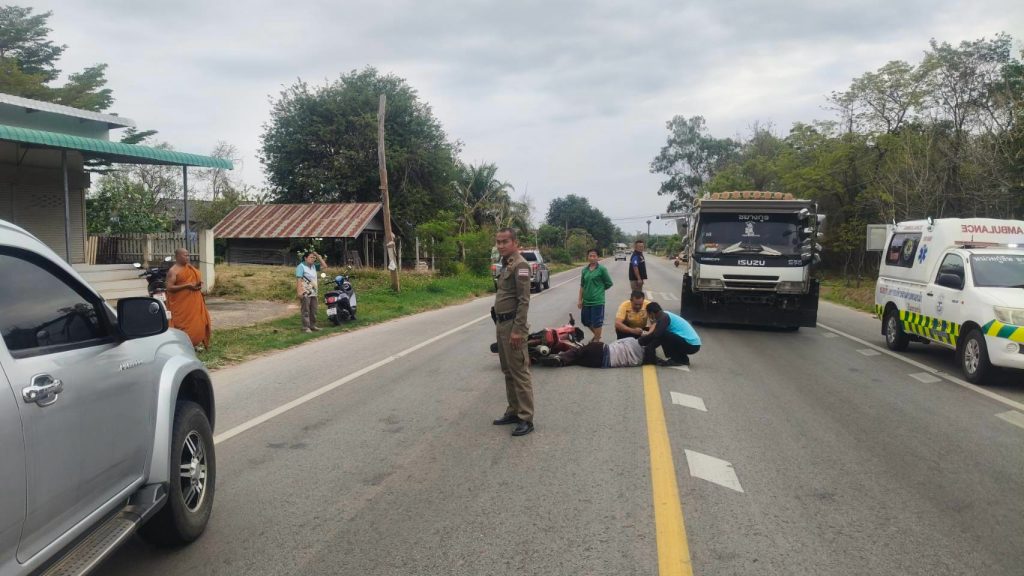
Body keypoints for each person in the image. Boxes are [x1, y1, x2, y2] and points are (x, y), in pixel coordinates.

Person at [491, 227, 535, 437]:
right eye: (498, 242)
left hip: (513, 326)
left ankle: (526, 418)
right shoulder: (506, 264)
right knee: (508, 371)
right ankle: (513, 410)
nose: (500, 245)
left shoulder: (521, 265)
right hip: (502, 325)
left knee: (519, 372)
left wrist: (517, 330)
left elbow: (524, 300)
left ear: (515, 243)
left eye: (504, 242)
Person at [165, 248, 211, 349]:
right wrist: (187, 286)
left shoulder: (190, 268)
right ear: (177, 256)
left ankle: (195, 343)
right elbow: (169, 287)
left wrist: (197, 285)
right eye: (185, 255)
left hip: (193, 302)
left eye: (188, 255)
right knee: (182, 325)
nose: (187, 257)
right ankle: (183, 345)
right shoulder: (173, 271)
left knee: (197, 323)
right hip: (181, 305)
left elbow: (193, 282)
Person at [639, 302, 701, 366]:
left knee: (664, 334)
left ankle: (676, 359)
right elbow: (653, 330)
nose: (649, 316)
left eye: (648, 314)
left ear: (652, 313)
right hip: (693, 344)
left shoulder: (664, 318)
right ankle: (683, 359)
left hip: (691, 345)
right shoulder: (663, 315)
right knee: (664, 334)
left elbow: (657, 335)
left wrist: (642, 342)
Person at [537, 337, 644, 369]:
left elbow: (615, 343)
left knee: (578, 350)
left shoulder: (632, 341)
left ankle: (560, 357)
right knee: (577, 359)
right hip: (602, 364)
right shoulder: (639, 361)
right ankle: (560, 360)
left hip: (604, 350)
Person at [578, 248, 613, 343]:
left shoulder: (602, 269)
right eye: (590, 256)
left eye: (594, 256)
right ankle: (597, 336)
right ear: (587, 257)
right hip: (586, 301)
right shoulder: (584, 270)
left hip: (597, 301)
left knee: (597, 322)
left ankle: (597, 342)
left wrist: (600, 290)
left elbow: (609, 283)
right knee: (585, 321)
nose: (592, 258)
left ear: (598, 257)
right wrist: (580, 300)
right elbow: (582, 285)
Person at [296, 251, 328, 333]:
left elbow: (325, 266)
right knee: (305, 310)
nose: (313, 259)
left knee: (314, 310)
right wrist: (299, 292)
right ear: (305, 258)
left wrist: (318, 256)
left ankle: (312, 326)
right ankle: (305, 327)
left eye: (314, 258)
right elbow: (299, 279)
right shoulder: (301, 266)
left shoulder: (314, 266)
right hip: (305, 292)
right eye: (311, 257)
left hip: (314, 292)